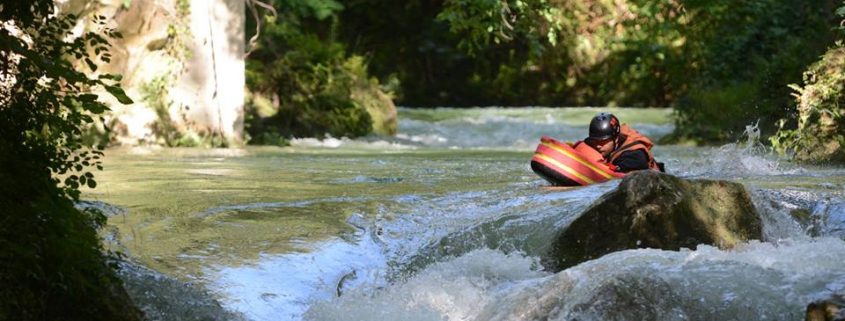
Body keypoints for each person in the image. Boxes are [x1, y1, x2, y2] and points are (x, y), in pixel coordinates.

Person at [583, 112, 665, 173]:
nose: (598, 146)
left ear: (616, 139)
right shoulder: (593, 143)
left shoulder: (634, 156)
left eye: (603, 141)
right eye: (595, 141)